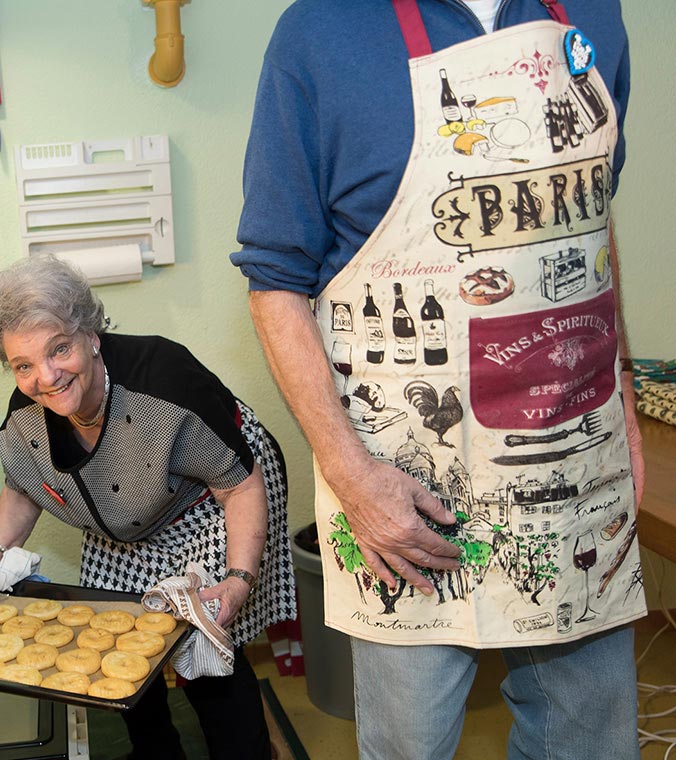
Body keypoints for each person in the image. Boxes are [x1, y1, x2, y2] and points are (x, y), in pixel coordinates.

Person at [232, 0, 647, 757]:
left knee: (591, 736)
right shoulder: (321, 33)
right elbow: (273, 281)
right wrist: (352, 474)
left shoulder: (591, 12)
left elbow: (591, 218)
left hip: (574, 462)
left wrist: (622, 398)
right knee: (409, 743)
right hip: (404, 493)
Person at [0, 255, 294, 760]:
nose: (48, 377)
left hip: (212, 493)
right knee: (115, 642)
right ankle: (156, 752)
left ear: (91, 335)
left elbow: (239, 485)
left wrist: (236, 579)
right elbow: (23, 486)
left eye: (60, 349)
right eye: (24, 365)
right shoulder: (26, 418)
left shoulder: (164, 387)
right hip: (125, 515)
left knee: (203, 647)